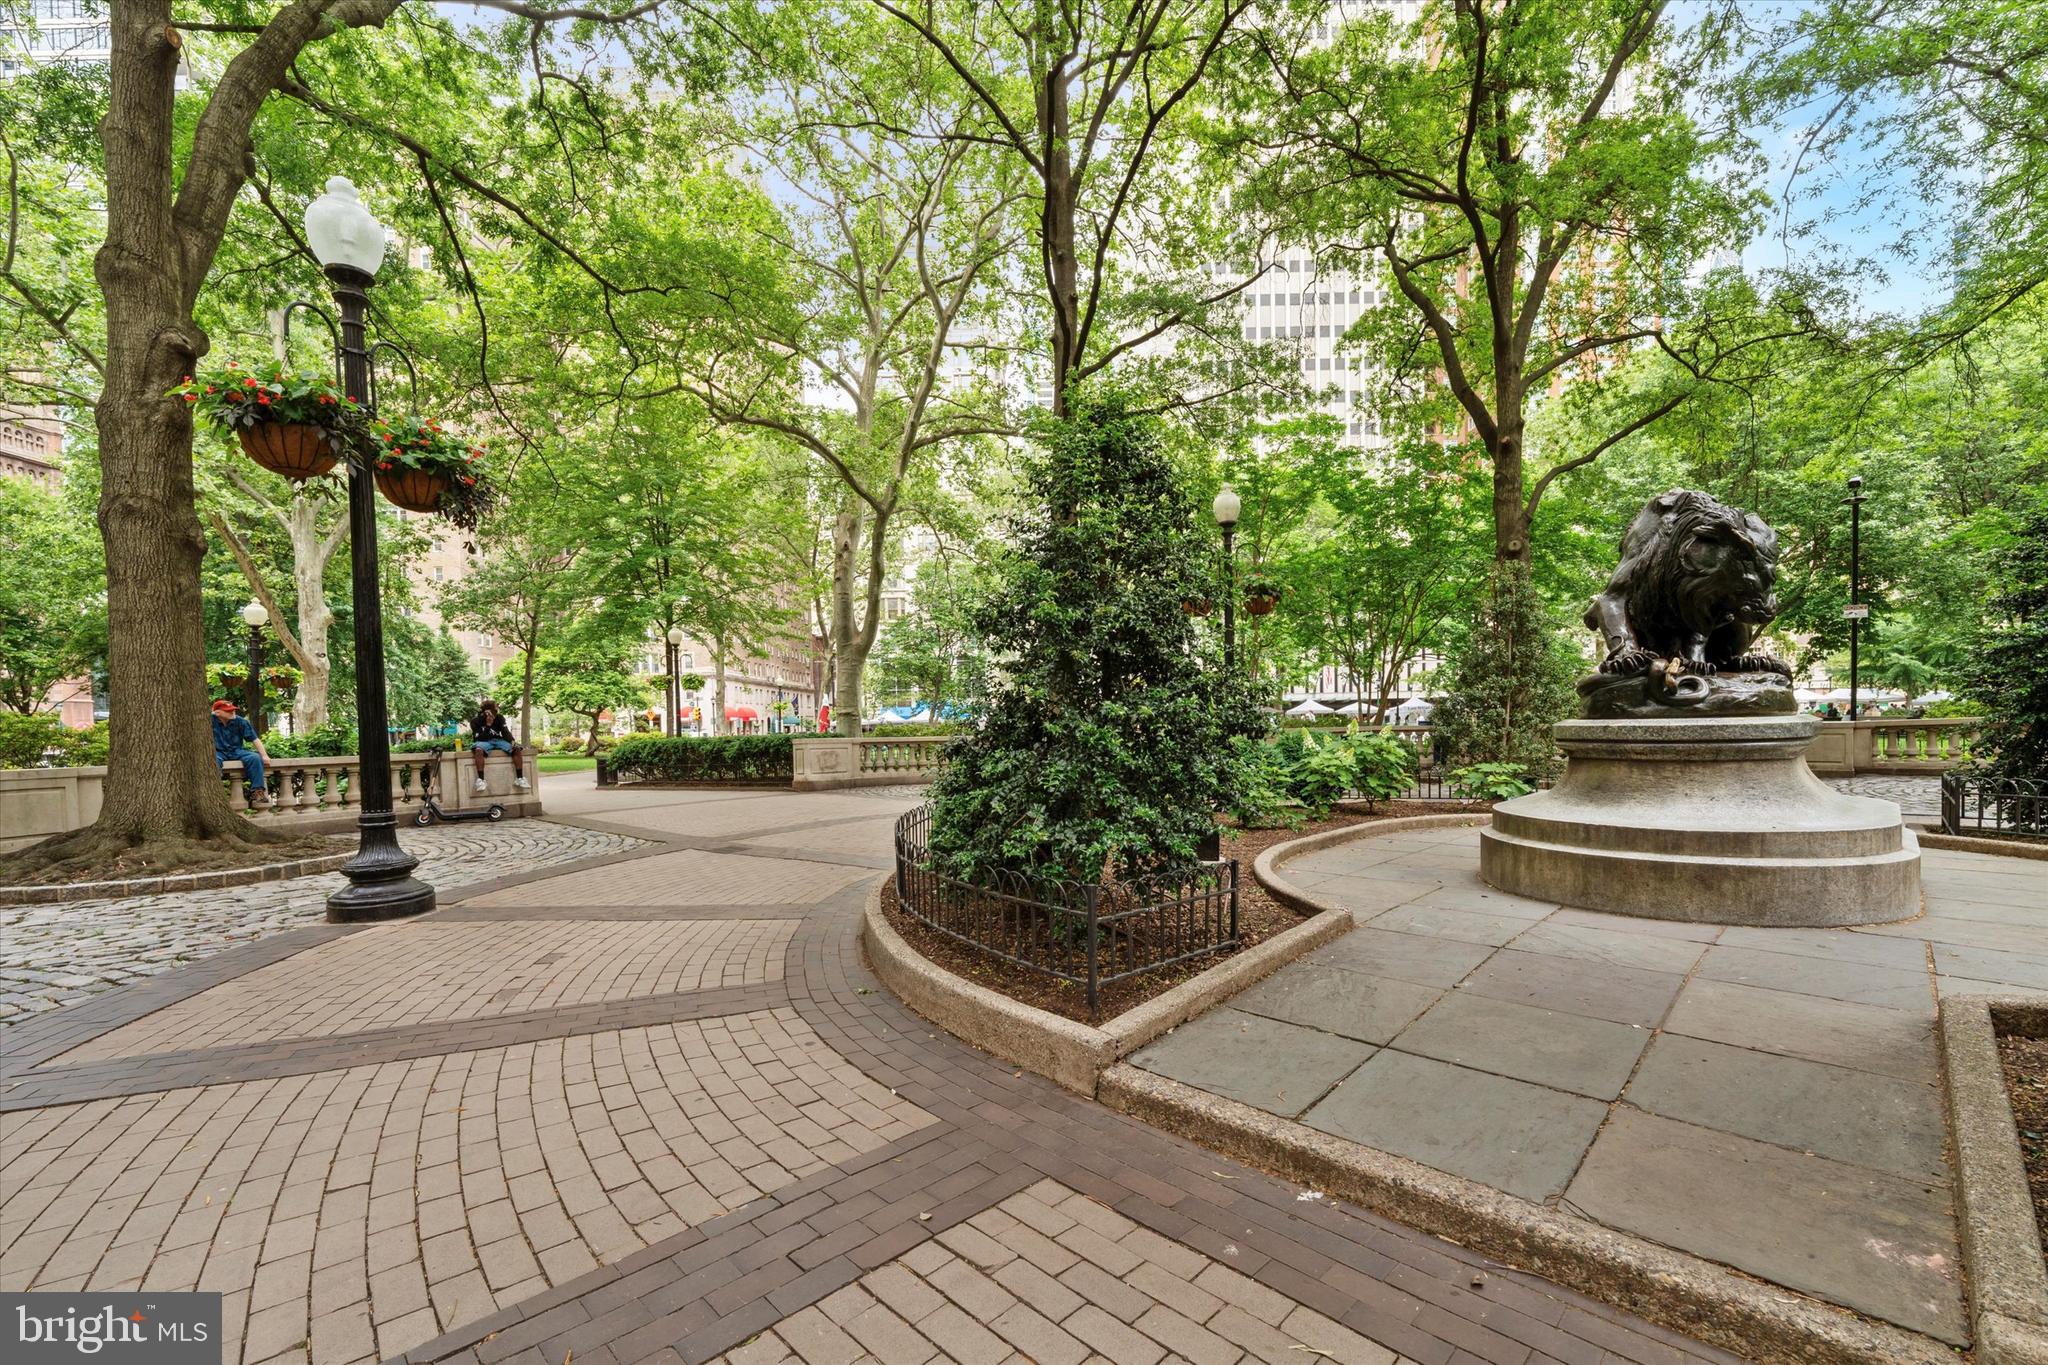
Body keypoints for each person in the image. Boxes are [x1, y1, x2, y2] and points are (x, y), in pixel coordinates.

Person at [211, 699, 271, 806]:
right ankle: (216, 792)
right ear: (218, 713)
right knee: (213, 760)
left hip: (237, 751)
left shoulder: (241, 722)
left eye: (233, 710)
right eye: (228, 711)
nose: (232, 712)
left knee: (255, 758)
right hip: (218, 752)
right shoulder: (209, 720)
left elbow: (255, 739)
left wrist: (264, 755)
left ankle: (257, 792)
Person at [470, 699, 529, 793]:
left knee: (516, 749)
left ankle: (520, 778)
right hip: (483, 740)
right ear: (486, 711)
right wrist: (488, 725)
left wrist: (512, 741)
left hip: (498, 740)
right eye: (494, 710)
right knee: (478, 750)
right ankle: (481, 780)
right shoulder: (475, 721)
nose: (496, 712)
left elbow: (505, 732)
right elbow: (480, 738)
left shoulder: (499, 718)